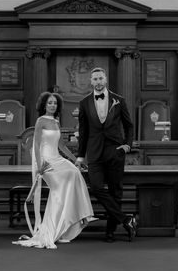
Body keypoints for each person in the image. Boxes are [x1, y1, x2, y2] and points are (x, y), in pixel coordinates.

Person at [13, 91, 94, 249]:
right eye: (49, 102)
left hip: (58, 159)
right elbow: (36, 145)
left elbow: (61, 146)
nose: (52, 105)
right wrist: (40, 165)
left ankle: (77, 217)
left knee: (75, 172)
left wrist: (76, 160)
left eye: (55, 103)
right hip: (46, 161)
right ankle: (53, 228)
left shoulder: (56, 121)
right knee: (60, 188)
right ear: (44, 104)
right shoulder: (40, 121)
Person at [75, 67, 136, 242]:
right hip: (94, 153)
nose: (98, 82)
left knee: (116, 191)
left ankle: (110, 232)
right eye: (95, 79)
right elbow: (84, 131)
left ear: (106, 79)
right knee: (96, 188)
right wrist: (80, 156)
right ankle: (126, 219)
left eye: (101, 78)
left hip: (115, 151)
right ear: (91, 81)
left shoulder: (119, 100)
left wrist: (127, 145)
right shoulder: (84, 102)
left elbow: (129, 125)